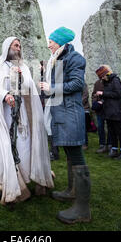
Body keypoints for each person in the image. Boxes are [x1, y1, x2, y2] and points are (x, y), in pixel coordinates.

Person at [0, 36, 54, 205]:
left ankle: (27, 179)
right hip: (5, 113)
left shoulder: (22, 66)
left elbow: (30, 85)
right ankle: (4, 183)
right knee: (6, 146)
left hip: (21, 112)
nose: (18, 48)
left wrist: (22, 77)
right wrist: (4, 95)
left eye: (19, 46)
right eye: (15, 45)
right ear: (7, 47)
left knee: (24, 146)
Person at [39, 27, 90, 224]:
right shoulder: (58, 59)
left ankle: (83, 210)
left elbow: (77, 84)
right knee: (70, 153)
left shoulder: (75, 58)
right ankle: (72, 191)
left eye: (51, 40)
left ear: (60, 42)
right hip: (62, 111)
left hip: (70, 113)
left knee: (76, 155)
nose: (49, 44)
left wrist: (51, 88)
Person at [95, 65, 121, 159]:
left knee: (119, 132)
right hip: (108, 111)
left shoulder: (116, 80)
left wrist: (103, 93)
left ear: (106, 74)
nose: (102, 79)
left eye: (102, 76)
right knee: (111, 132)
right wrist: (101, 98)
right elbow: (110, 95)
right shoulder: (107, 82)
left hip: (116, 110)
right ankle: (114, 150)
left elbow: (117, 94)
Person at [92, 78, 112, 153]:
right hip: (99, 109)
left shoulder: (110, 82)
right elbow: (93, 94)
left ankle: (110, 144)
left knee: (110, 127)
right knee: (100, 127)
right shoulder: (97, 83)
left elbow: (111, 94)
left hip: (109, 108)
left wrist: (103, 101)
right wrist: (95, 102)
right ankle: (102, 144)